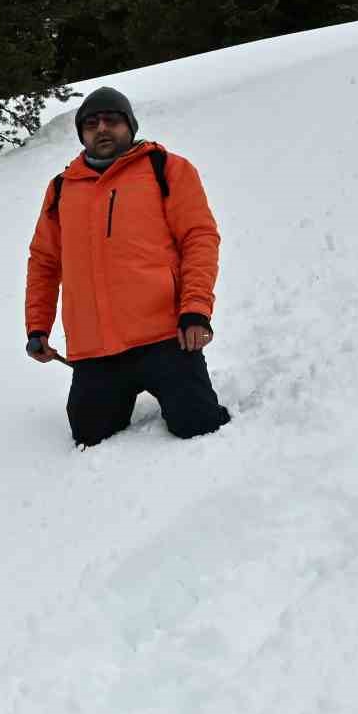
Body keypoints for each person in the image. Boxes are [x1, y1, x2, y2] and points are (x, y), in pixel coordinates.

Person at [23, 86, 231, 447]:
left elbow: (199, 239)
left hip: (165, 337)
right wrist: (37, 327)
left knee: (197, 423)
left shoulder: (166, 169)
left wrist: (195, 310)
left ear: (130, 126)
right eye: (91, 124)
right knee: (89, 434)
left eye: (112, 120)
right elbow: (44, 261)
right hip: (96, 348)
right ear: (82, 134)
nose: (102, 128)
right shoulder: (61, 189)